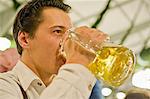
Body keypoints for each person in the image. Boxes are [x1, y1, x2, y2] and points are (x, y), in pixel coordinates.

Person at [0, 0, 108, 99]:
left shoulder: (72, 86)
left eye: (70, 34)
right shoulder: (5, 86)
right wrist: (79, 61)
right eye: (57, 31)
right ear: (25, 40)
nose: (67, 41)